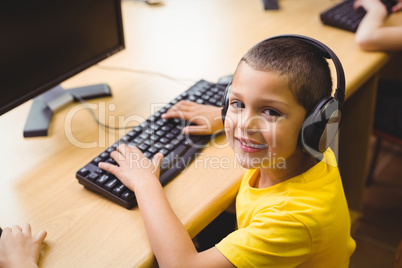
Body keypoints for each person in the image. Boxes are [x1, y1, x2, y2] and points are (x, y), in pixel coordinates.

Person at [99, 36, 356, 267]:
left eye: (271, 111)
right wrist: (225, 119)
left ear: (315, 125)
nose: (244, 124)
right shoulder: (305, 155)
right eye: (237, 103)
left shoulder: (293, 219)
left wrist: (145, 183)